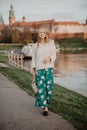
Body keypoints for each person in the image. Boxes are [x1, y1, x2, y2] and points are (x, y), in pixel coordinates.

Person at [32, 27, 56, 116]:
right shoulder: (34, 46)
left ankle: (46, 102)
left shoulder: (51, 43)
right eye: (40, 32)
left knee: (49, 88)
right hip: (39, 69)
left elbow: (54, 55)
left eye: (44, 32)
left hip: (49, 68)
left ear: (46, 34)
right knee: (41, 89)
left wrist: (49, 58)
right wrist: (33, 70)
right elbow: (33, 58)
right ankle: (45, 108)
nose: (42, 34)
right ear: (38, 34)